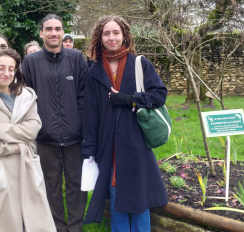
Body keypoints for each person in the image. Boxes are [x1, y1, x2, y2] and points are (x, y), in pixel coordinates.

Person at [82, 16, 168, 231]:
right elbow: (90, 114)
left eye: (116, 33)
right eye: (106, 33)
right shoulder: (94, 72)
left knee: (138, 196)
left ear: (124, 36)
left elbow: (159, 95)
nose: (112, 37)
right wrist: (90, 149)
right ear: (99, 38)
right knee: (115, 194)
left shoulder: (139, 64)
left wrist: (130, 99)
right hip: (107, 145)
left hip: (135, 142)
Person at [0, 48, 56, 232]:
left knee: (33, 220)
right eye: (1, 68)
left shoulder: (26, 97)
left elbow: (33, 129)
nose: (7, 73)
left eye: (11, 69)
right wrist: (11, 148)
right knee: (1, 223)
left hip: (27, 167)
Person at [22, 14, 88, 232]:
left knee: (76, 185)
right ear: (41, 33)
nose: (53, 33)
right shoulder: (31, 62)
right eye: (48, 29)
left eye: (58, 29)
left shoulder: (77, 58)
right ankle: (57, 226)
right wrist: (38, 125)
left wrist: (78, 123)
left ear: (63, 32)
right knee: (50, 186)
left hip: (74, 137)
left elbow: (83, 94)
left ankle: (75, 226)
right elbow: (27, 97)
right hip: (45, 136)